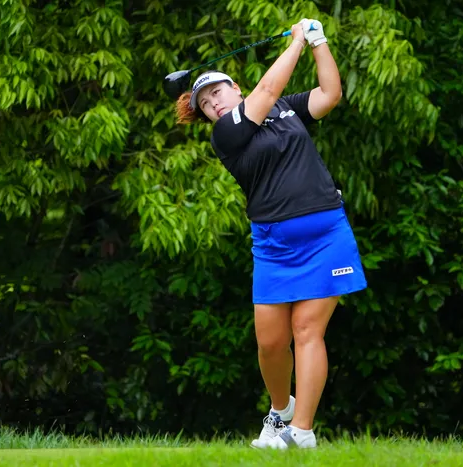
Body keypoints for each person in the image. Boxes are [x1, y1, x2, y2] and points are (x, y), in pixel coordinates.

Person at [174, 19, 368, 449]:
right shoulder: (226, 134)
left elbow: (329, 95)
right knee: (270, 344)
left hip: (326, 234)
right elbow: (266, 90)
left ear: (235, 88)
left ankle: (302, 431)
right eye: (205, 102)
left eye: (217, 92)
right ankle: (280, 413)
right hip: (273, 245)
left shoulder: (285, 109)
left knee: (307, 330)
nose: (213, 103)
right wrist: (296, 41)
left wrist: (318, 41)